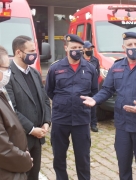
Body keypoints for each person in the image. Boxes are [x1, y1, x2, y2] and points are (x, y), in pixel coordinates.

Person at [81, 32, 136, 180]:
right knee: (123, 166)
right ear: (123, 47)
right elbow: (107, 90)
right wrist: (95, 100)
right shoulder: (116, 66)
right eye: (129, 45)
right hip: (122, 126)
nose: (133, 48)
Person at [45, 34, 98, 180]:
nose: (77, 51)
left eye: (80, 48)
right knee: (59, 157)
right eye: (73, 48)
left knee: (83, 158)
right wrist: (63, 102)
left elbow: (94, 92)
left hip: (81, 120)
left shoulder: (90, 68)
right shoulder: (55, 68)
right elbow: (49, 91)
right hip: (60, 119)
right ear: (66, 48)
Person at [5, 35, 51, 180]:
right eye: (30, 51)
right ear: (18, 52)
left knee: (34, 175)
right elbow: (11, 110)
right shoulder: (7, 76)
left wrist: (46, 122)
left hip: (38, 138)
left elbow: (44, 99)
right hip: (19, 139)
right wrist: (31, 129)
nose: (34, 55)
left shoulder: (35, 73)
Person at [0, 45, 33, 180]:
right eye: (6, 68)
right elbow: (3, 149)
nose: (9, 72)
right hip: (8, 171)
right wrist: (25, 160)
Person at [83, 41, 100, 132]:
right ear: (83, 49)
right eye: (88, 48)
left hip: (92, 87)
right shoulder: (80, 59)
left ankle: (93, 124)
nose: (90, 50)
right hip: (83, 87)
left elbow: (97, 73)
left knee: (93, 106)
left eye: (91, 49)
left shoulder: (95, 60)